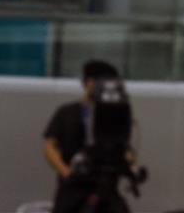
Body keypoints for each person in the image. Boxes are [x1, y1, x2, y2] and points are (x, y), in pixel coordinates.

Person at [43, 60, 139, 213]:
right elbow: (50, 147)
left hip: (107, 191)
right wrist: (67, 173)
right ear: (88, 83)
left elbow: (124, 148)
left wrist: (132, 167)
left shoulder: (113, 115)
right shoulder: (67, 112)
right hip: (73, 192)